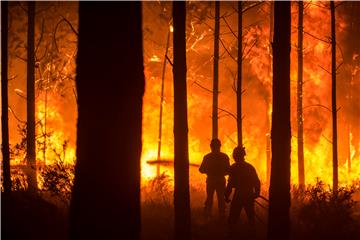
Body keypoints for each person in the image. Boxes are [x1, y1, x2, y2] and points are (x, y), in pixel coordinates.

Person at [224, 146, 260, 228]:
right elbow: (256, 181)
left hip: (239, 195)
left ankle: (232, 235)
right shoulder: (249, 167)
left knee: (233, 219)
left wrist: (226, 195)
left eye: (235, 155)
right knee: (251, 218)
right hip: (249, 194)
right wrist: (256, 193)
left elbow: (230, 184)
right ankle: (253, 234)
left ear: (236, 156)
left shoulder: (233, 167)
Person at [199, 139, 230, 218]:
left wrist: (209, 170)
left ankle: (207, 215)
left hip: (211, 180)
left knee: (210, 198)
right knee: (221, 199)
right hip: (220, 180)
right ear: (220, 146)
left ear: (211, 146)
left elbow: (201, 169)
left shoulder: (207, 157)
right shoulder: (224, 157)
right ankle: (221, 216)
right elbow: (228, 171)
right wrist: (220, 172)